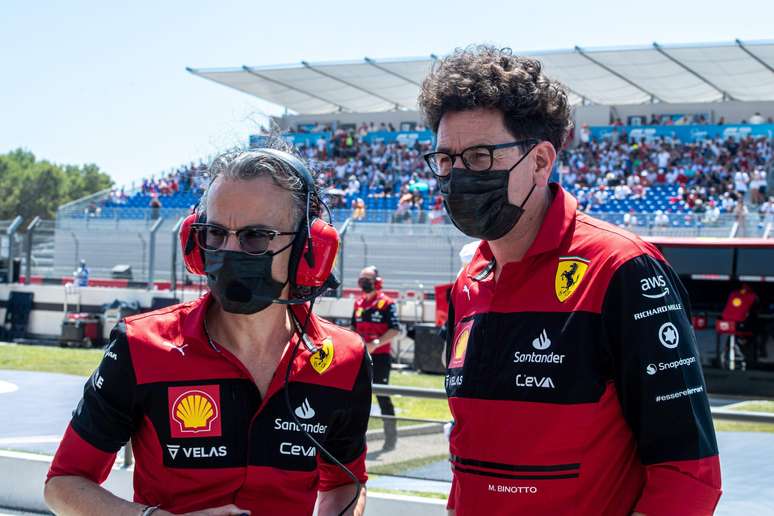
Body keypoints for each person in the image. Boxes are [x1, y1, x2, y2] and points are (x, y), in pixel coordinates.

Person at [419, 45, 721, 516]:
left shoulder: (622, 269)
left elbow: (688, 475)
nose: (456, 176)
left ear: (541, 161)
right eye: (444, 159)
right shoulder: (468, 284)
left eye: (479, 157)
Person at [45, 145, 372, 515]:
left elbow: (346, 480)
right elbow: (64, 482)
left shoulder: (344, 358)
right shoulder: (140, 345)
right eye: (214, 234)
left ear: (308, 248)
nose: (228, 251)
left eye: (255, 237)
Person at [351, 266, 400, 451]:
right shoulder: (358, 303)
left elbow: (395, 329)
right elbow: (353, 328)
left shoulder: (387, 303)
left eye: (368, 278)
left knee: (382, 396)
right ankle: (356, 440)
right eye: (361, 278)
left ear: (377, 281)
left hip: (380, 357)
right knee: (357, 396)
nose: (364, 281)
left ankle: (391, 439)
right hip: (360, 356)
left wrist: (376, 343)